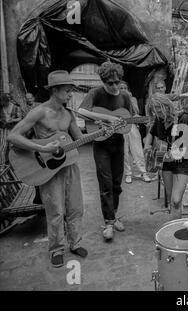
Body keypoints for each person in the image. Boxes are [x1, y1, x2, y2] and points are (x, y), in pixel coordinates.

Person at [7, 71, 88, 267]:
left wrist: (102, 133)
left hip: (69, 166)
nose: (70, 95)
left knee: (76, 207)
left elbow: (79, 140)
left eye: (71, 91)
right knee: (55, 211)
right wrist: (42, 148)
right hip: (47, 170)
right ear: (55, 90)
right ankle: (56, 249)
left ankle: (75, 243)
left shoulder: (69, 114)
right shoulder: (39, 112)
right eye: (67, 91)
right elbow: (13, 136)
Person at [78, 62, 132, 242]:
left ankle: (113, 215)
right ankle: (108, 222)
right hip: (101, 144)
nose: (115, 86)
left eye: (117, 82)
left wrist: (125, 122)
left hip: (118, 143)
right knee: (105, 182)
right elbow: (80, 111)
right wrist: (107, 117)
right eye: (110, 83)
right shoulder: (95, 93)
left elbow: (129, 119)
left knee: (117, 182)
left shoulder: (124, 96)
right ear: (103, 81)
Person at [143, 93, 188, 219]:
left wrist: (158, 156)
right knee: (171, 200)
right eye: (154, 111)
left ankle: (176, 226)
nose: (157, 114)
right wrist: (147, 146)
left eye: (159, 110)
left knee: (176, 200)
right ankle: (175, 228)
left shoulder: (183, 118)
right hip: (166, 163)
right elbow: (151, 132)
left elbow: (183, 150)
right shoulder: (159, 119)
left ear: (167, 106)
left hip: (181, 162)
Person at [118, 81, 152, 184]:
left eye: (125, 88)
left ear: (128, 90)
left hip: (132, 125)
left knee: (137, 149)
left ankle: (143, 172)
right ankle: (128, 174)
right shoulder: (115, 100)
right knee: (124, 151)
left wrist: (129, 100)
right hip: (120, 127)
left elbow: (136, 113)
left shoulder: (132, 99)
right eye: (121, 88)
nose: (123, 90)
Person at [0, 93, 22, 165]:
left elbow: (20, 118)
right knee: (3, 147)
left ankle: (12, 164)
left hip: (13, 129)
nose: (1, 104)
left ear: (6, 101)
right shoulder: (1, 107)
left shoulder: (16, 107)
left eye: (2, 102)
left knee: (12, 147)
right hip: (3, 129)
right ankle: (2, 164)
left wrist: (12, 120)